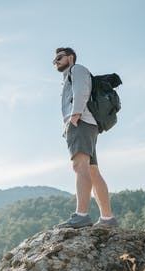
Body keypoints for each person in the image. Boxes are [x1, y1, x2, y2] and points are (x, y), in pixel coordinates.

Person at [52, 47, 118, 229]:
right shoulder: (69, 75)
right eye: (54, 60)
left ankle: (81, 216)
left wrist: (75, 116)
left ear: (70, 57)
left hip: (80, 123)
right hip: (85, 124)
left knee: (79, 166)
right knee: (92, 170)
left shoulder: (77, 69)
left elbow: (82, 90)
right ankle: (107, 218)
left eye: (59, 57)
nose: (56, 61)